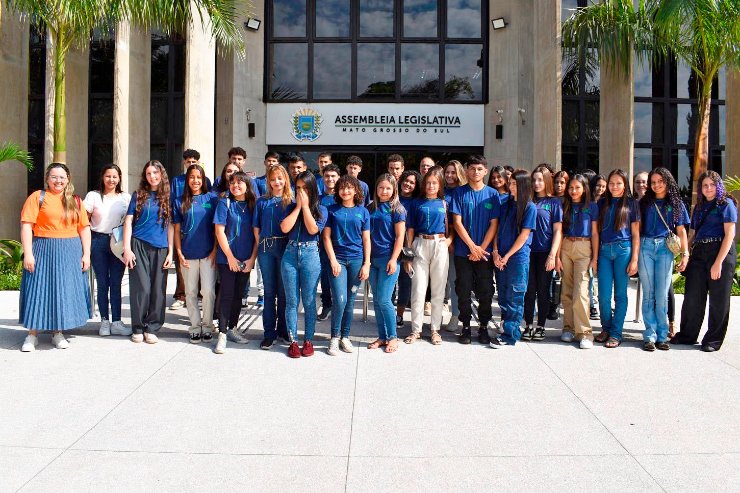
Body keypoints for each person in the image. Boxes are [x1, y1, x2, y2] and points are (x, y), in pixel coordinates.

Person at [20, 163, 92, 352]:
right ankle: (32, 335)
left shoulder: (76, 201)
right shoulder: (37, 197)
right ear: (47, 178)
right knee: (38, 288)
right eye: (54, 177)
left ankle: (57, 333)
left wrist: (86, 254)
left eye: (62, 177)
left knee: (62, 290)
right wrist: (28, 253)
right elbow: (27, 225)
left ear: (67, 179)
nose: (58, 181)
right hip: (42, 247)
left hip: (70, 250)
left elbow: (84, 228)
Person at [672, 171, 737, 352]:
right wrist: (685, 254)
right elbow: (694, 234)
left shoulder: (726, 204)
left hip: (720, 251)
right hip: (700, 251)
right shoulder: (698, 207)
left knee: (718, 299)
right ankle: (687, 334)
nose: (708, 188)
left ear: (718, 186)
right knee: (692, 296)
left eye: (712, 185)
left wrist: (718, 263)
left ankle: (713, 340)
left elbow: (729, 235)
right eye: (704, 185)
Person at [122, 160, 174, 344]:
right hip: (139, 245)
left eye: (155, 172)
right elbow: (128, 221)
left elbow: (171, 227)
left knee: (158, 290)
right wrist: (127, 249)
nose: (152, 176)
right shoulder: (138, 195)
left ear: (162, 174)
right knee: (142, 288)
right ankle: (137, 327)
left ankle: (152, 327)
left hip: (160, 248)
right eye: (149, 173)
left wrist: (171, 252)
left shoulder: (169, 197)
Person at [638, 167, 690, 351]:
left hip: (665, 250)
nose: (656, 185)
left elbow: (682, 230)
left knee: (661, 294)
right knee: (649, 292)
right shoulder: (644, 203)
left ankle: (662, 335)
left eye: (660, 181)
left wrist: (685, 254)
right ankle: (649, 335)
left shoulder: (676, 203)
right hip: (645, 247)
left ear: (667, 182)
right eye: (653, 182)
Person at [450, 155, 500, 345]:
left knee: (486, 291)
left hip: (484, 255)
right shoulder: (459, 193)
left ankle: (484, 327)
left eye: (479, 169)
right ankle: (466, 328)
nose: (476, 172)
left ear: (485, 171)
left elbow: (494, 224)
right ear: (467, 170)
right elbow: (457, 222)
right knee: (463, 290)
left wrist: (481, 249)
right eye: (472, 168)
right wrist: (472, 246)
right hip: (464, 253)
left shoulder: (492, 194)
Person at [280, 171, 327, 358]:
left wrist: (306, 207)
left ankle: (308, 340)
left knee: (309, 301)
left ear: (312, 189)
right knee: (292, 302)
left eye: (305, 188)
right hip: (290, 254)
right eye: (298, 188)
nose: (301, 192)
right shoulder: (290, 207)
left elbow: (313, 229)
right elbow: (284, 228)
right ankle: (293, 342)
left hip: (310, 255)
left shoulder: (321, 209)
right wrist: (298, 207)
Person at [323, 175, 371, 355]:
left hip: (357, 260)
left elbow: (366, 239)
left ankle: (345, 336)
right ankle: (334, 338)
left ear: (356, 190)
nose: (346, 191)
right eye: (342, 187)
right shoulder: (331, 210)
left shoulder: (363, 211)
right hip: (338, 260)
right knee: (340, 299)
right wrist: (333, 260)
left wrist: (367, 263)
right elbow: (326, 237)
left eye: (349, 188)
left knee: (350, 300)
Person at [173, 164, 220, 344]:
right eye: (192, 177)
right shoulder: (179, 201)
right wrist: (178, 252)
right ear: (187, 180)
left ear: (204, 179)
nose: (195, 181)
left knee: (208, 291)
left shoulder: (212, 199)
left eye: (198, 177)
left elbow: (218, 227)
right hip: (187, 254)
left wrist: (215, 250)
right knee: (191, 292)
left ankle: (207, 326)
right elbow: (176, 230)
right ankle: (194, 327)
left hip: (208, 253)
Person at [83, 164, 131, 337]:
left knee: (116, 282)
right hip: (98, 241)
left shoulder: (125, 197)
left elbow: (130, 221)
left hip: (118, 241)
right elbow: (83, 222)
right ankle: (104, 321)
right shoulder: (93, 196)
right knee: (102, 283)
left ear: (119, 179)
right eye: (108, 176)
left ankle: (117, 321)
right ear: (103, 177)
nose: (111, 180)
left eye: (115, 177)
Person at [405, 167, 451, 345]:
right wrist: (408, 254)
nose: (431, 186)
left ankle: (435, 329)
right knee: (418, 288)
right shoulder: (416, 203)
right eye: (428, 183)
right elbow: (410, 229)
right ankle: (416, 329)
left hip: (440, 244)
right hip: (420, 244)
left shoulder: (445, 202)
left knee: (438, 290)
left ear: (439, 184)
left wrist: (446, 242)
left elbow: (453, 227)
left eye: (434, 183)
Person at [213, 171, 258, 353]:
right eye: (232, 183)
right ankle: (222, 334)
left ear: (247, 186)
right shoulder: (225, 203)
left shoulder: (253, 205)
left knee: (239, 296)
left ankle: (233, 328)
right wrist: (230, 257)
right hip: (227, 259)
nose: (235, 186)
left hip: (246, 259)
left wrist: (251, 259)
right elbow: (219, 231)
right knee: (226, 295)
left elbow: (257, 235)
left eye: (240, 183)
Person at [594, 169, 640, 348]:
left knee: (620, 294)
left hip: (624, 250)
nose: (614, 186)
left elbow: (636, 234)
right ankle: (606, 328)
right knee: (603, 295)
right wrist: (595, 257)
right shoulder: (601, 204)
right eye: (611, 183)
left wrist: (634, 258)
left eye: (619, 183)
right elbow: (596, 232)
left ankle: (616, 332)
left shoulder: (632, 204)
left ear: (625, 184)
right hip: (605, 251)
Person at [492, 170, 537, 346]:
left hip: (517, 258)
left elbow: (524, 236)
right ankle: (505, 327)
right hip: (500, 255)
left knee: (515, 295)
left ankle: (510, 335)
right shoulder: (505, 203)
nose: (510, 186)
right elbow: (496, 229)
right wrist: (496, 252)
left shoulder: (529, 207)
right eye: (510, 183)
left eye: (513, 184)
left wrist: (507, 256)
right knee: (503, 294)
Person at [557, 174, 599, 349]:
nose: (573, 191)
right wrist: (557, 256)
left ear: (584, 189)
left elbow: (595, 233)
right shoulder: (563, 205)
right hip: (566, 245)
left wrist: (594, 258)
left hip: (584, 247)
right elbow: (558, 231)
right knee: (566, 289)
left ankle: (585, 333)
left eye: (577, 187)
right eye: (571, 187)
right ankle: (568, 328)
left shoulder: (592, 207)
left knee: (581, 290)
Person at [253, 164, 292, 350]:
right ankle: (269, 333)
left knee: (284, 293)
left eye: (280, 178)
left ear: (285, 179)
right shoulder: (262, 201)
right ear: (268, 181)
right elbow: (256, 227)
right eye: (273, 179)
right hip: (266, 248)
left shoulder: (291, 201)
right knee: (269, 293)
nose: (277, 182)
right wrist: (260, 245)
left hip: (285, 247)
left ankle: (284, 330)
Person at [523, 166, 562, 341]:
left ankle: (541, 326)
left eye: (540, 180)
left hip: (545, 252)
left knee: (543, 291)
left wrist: (553, 255)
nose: (537, 183)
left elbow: (558, 231)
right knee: (529, 290)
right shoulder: (527, 201)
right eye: (534, 180)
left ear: (546, 181)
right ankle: (529, 325)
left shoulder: (554, 203)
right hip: (527, 252)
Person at [367, 174, 406, 353]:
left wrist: (393, 258)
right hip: (372, 260)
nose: (384, 191)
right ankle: (382, 336)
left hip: (388, 259)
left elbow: (400, 237)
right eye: (381, 188)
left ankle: (393, 337)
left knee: (384, 299)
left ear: (394, 190)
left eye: (388, 188)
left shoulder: (397, 210)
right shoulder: (370, 207)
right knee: (377, 300)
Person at [169, 149, 210, 310]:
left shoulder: (204, 179)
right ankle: (181, 295)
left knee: (201, 267)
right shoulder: (177, 180)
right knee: (181, 264)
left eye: (194, 161)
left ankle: (198, 295)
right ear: (184, 163)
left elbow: (207, 197)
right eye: (188, 161)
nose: (191, 164)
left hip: (200, 227)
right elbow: (173, 200)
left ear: (198, 162)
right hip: (182, 223)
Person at [396, 170, 423, 330]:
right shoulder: (393, 198)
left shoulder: (416, 202)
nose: (408, 184)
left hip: (408, 246)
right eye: (406, 181)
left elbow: (412, 228)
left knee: (405, 282)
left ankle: (399, 315)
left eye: (412, 182)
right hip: (389, 245)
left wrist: (408, 253)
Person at [443, 160, 467, 332]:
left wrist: (452, 240)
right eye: (447, 172)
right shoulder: (440, 191)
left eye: (453, 172)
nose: (450, 176)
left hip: (458, 243)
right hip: (438, 242)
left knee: (454, 280)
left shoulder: (463, 192)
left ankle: (456, 315)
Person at [318, 164, 341, 321]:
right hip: (320, 244)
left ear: (338, 177)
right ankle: (327, 305)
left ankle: (341, 307)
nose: (330, 179)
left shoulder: (344, 197)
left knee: (339, 279)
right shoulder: (317, 199)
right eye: (327, 176)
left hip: (340, 245)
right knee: (325, 278)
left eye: (333, 176)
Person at [588, 173, 607, 320]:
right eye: (598, 185)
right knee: (588, 275)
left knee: (601, 277)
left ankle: (601, 303)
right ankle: (591, 304)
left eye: (603, 186)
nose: (600, 188)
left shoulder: (607, 202)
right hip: (588, 241)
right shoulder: (587, 201)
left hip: (603, 242)